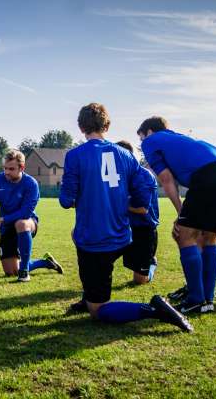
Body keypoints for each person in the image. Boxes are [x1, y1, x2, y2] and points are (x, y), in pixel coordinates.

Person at [60, 103, 192, 333]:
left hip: (95, 240)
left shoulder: (75, 156)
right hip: (122, 235)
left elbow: (65, 200)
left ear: (81, 127)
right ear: (107, 125)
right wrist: (127, 203)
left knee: (98, 310)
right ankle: (89, 294)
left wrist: (82, 194)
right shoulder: (126, 155)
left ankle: (153, 310)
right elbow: (145, 187)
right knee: (89, 258)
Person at [137, 116, 216, 314]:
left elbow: (167, 180)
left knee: (184, 235)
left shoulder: (151, 141)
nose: (142, 143)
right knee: (211, 237)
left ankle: (195, 299)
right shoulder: (179, 139)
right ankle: (207, 300)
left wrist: (181, 213)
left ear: (149, 132)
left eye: (141, 138)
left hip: (210, 174)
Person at [0, 149, 63, 282]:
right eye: (5, 168)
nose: (7, 172)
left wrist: (3, 219)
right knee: (11, 271)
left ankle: (25, 272)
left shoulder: (31, 184)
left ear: (22, 167)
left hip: (28, 223)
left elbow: (25, 212)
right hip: (6, 226)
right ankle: (45, 262)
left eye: (11, 169)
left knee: (21, 223)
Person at [116, 141, 159, 285]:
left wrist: (119, 205)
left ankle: (151, 264)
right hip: (125, 227)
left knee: (139, 281)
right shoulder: (118, 176)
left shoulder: (143, 176)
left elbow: (142, 209)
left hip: (144, 229)